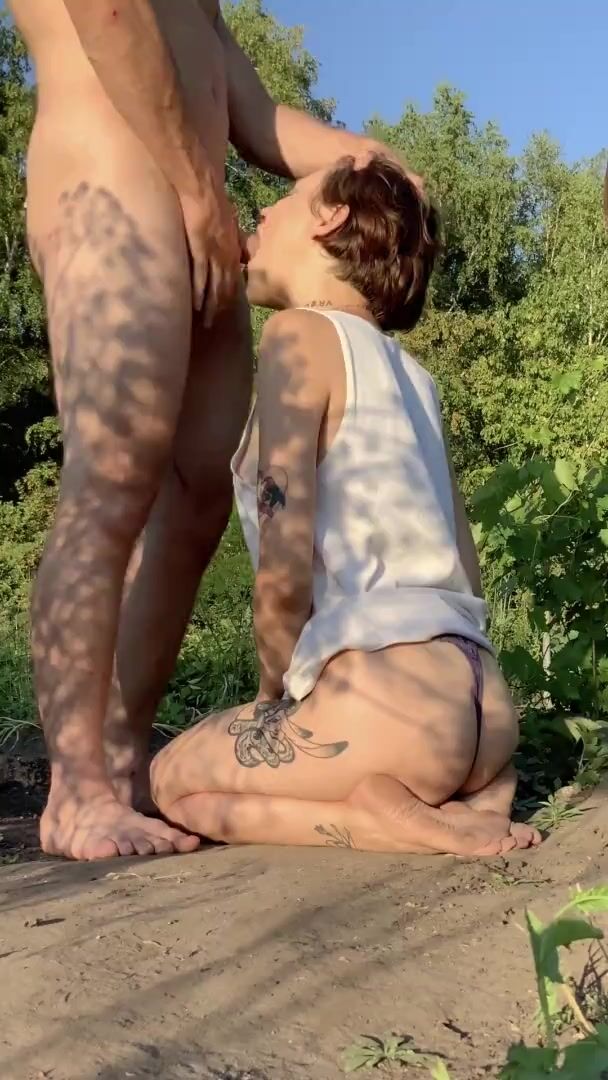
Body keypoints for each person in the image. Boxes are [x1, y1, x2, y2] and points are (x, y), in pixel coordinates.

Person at [11, 0, 410, 861]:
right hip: (112, 178)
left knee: (198, 494)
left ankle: (121, 760)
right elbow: (108, 13)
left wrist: (370, 159)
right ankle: (75, 788)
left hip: (197, 201)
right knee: (112, 474)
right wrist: (196, 187)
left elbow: (249, 110)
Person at [150, 155, 542, 857]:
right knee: (212, 793)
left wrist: (275, 697)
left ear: (330, 217)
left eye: (282, 200)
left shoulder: (297, 336)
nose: (261, 215)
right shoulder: (415, 380)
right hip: (483, 707)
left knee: (171, 781)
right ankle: (469, 793)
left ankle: (381, 816)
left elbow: (284, 560)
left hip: (389, 707)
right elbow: (468, 568)